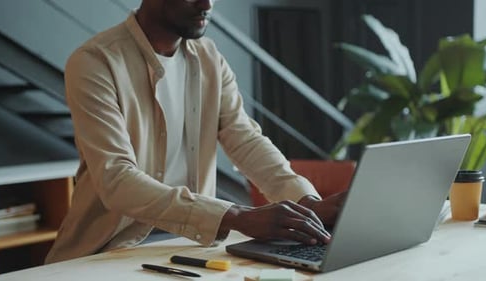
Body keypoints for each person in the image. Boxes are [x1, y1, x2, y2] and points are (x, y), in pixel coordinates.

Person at [45, 0, 346, 263]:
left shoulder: (209, 58)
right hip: (105, 253)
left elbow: (246, 140)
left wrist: (306, 203)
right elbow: (117, 180)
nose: (206, 4)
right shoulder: (95, 62)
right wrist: (238, 217)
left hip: (191, 249)